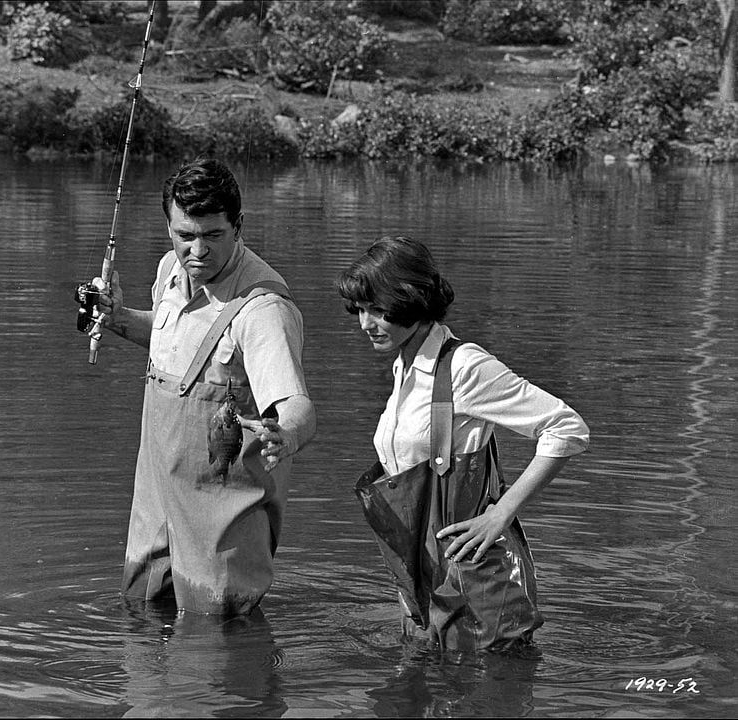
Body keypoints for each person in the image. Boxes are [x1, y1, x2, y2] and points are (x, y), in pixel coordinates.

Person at [336, 235, 589, 652]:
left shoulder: (466, 366)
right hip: (423, 574)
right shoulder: (405, 365)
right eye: (361, 310)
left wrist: (501, 513)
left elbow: (566, 428)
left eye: (379, 310)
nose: (366, 324)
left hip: (475, 577)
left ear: (412, 300)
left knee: (489, 689)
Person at [95, 157, 316, 616]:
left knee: (217, 635)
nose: (197, 251)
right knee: (140, 613)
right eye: (185, 236)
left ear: (239, 226)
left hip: (223, 507)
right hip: (155, 497)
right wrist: (116, 318)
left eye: (213, 236)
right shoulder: (169, 273)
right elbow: (172, 337)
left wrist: (286, 434)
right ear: (169, 227)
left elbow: (296, 403)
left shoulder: (263, 310)